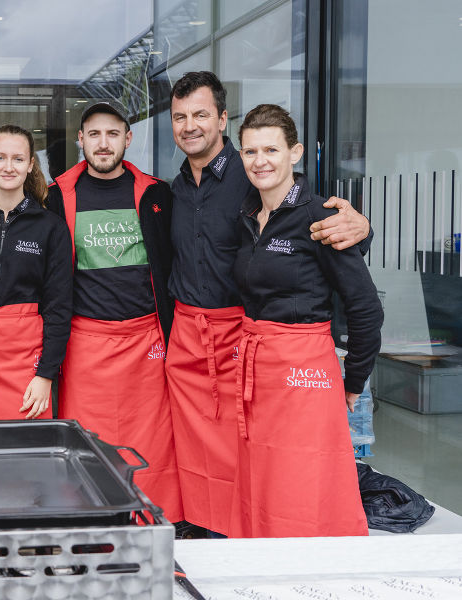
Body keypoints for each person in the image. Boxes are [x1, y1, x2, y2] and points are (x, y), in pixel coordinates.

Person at [164, 72, 371, 536]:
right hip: (188, 341)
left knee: (257, 450)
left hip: (245, 337)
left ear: (221, 119)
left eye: (200, 114)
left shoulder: (251, 173)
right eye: (180, 117)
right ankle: (211, 528)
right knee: (200, 447)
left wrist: (361, 227)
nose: (190, 125)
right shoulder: (170, 190)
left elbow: (315, 228)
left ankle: (257, 534)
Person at [230, 104, 381, 537]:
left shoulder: (319, 216)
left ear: (294, 153)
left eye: (271, 150)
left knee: (302, 484)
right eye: (250, 151)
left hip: (305, 373)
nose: (260, 161)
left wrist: (354, 382)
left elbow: (366, 308)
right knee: (263, 478)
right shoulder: (248, 217)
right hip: (259, 369)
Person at [46, 101, 183, 522]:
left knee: (153, 439)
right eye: (94, 134)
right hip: (85, 342)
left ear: (128, 138)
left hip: (147, 341)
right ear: (80, 140)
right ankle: (90, 517)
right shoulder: (56, 196)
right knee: (88, 439)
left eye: (112, 133)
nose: (103, 143)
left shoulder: (158, 193)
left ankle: (155, 517)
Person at [0, 124, 72, 421]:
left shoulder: (51, 227)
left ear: (31, 164)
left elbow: (58, 306)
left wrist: (45, 375)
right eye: (0, 158)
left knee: (24, 450)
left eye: (18, 159)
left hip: (24, 357)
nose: (8, 167)